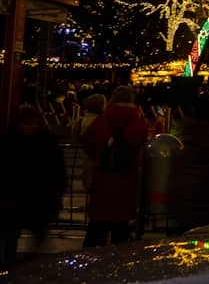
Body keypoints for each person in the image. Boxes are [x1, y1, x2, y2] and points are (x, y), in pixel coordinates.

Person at [82, 85, 149, 247]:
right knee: (121, 229)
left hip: (103, 178)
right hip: (127, 179)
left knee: (97, 227)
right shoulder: (138, 120)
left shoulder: (104, 118)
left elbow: (89, 143)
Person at [0, 107, 66, 267]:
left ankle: (21, 261)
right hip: (16, 194)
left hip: (36, 194)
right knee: (12, 232)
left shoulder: (43, 141)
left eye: (32, 123)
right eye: (26, 124)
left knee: (33, 229)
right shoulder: (11, 140)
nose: (29, 127)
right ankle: (11, 262)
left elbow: (57, 168)